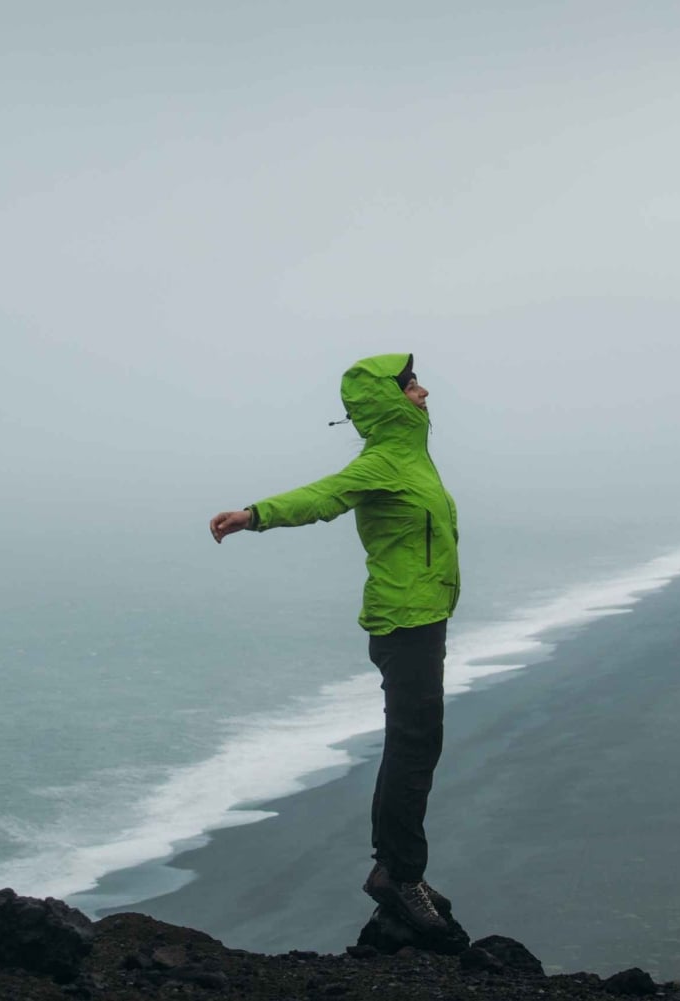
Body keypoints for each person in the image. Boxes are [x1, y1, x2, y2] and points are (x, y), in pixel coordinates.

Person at [209, 353, 460, 933]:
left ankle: (396, 869)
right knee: (414, 747)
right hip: (404, 624)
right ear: (388, 402)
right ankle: (399, 875)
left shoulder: (412, 456)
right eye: (412, 386)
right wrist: (254, 515)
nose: (424, 393)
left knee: (415, 744)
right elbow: (322, 498)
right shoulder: (381, 463)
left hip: (424, 618)